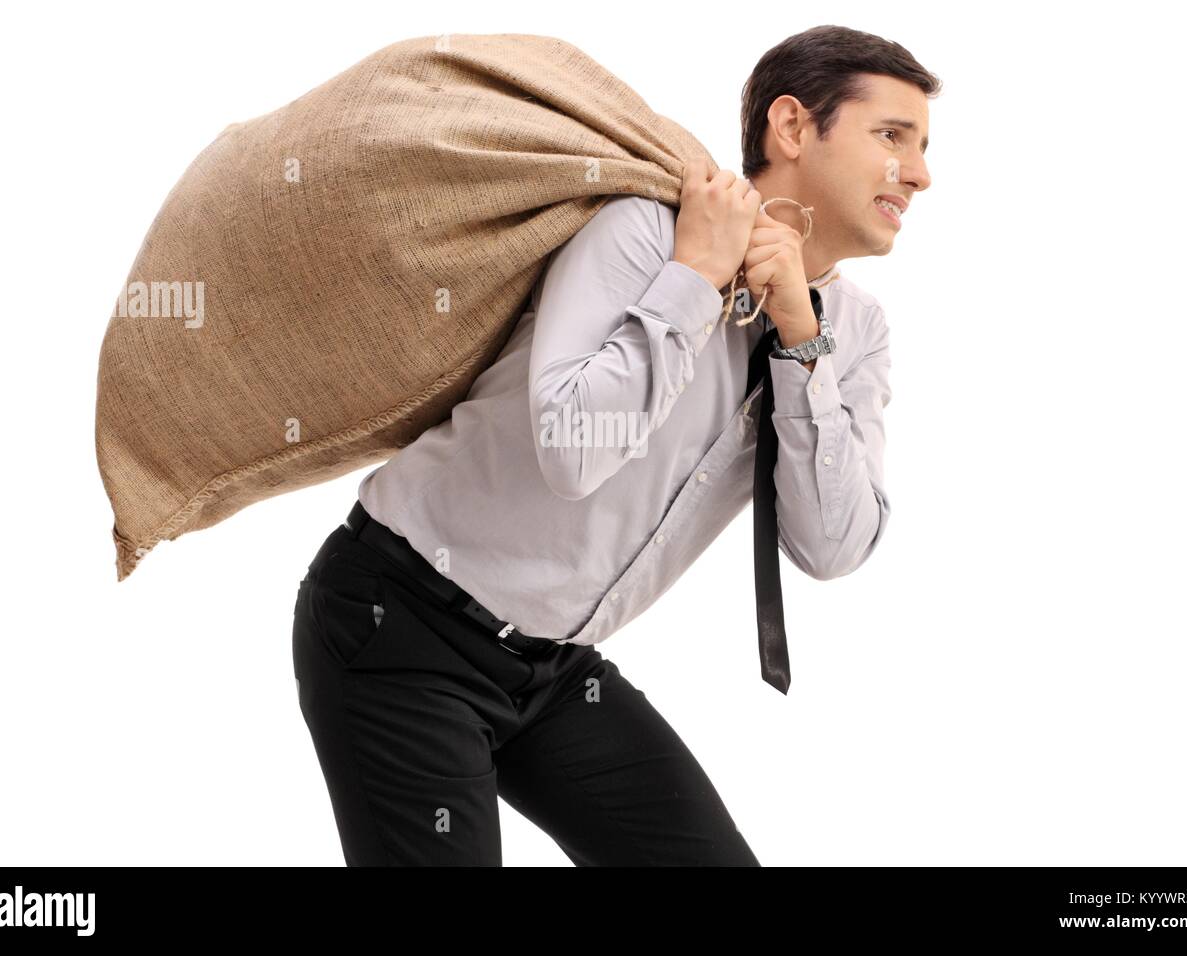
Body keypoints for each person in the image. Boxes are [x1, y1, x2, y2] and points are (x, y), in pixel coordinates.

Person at [291, 24, 938, 866]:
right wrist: (695, 281)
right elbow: (571, 449)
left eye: (923, 148)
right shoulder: (645, 231)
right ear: (791, 128)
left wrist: (798, 340)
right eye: (892, 137)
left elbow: (834, 547)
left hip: (554, 669)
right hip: (401, 622)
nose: (920, 173)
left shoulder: (854, 332)